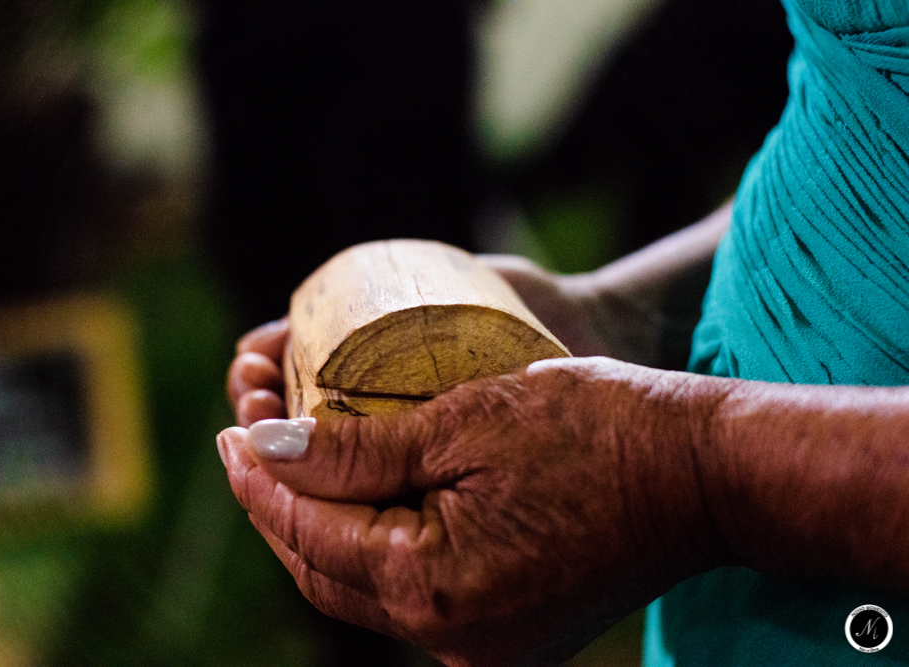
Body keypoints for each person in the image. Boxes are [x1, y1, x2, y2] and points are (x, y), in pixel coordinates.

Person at [218, 0, 909, 664]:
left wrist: (698, 474)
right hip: (748, 561)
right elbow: (862, 120)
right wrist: (620, 314)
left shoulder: (704, 479)